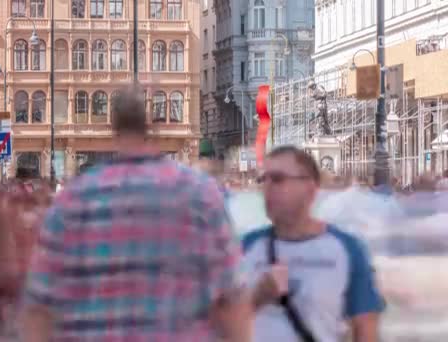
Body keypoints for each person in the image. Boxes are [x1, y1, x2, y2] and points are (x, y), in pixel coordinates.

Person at [20, 85, 251, 342]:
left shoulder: (74, 199)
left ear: (112, 128)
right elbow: (231, 297)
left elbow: (39, 305)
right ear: (153, 128)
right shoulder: (200, 195)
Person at [240, 145, 384, 342]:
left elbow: (366, 329)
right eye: (263, 180)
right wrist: (257, 298)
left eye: (278, 179)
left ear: (310, 187)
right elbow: (217, 325)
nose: (267, 188)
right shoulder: (246, 247)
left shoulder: (346, 248)